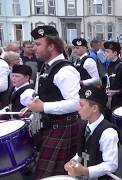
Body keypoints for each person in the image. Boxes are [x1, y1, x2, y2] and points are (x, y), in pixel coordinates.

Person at [28, 25, 81, 179]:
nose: (34, 48)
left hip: (63, 128)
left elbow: (76, 103)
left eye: (38, 44)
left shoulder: (65, 70)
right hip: (51, 126)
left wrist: (43, 106)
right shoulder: (47, 66)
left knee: (53, 176)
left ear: (51, 46)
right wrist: (36, 105)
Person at [64, 86, 119, 179]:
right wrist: (73, 161)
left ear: (94, 108)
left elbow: (112, 164)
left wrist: (86, 171)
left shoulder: (108, 133)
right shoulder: (84, 125)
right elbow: (81, 152)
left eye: (81, 105)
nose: (78, 109)